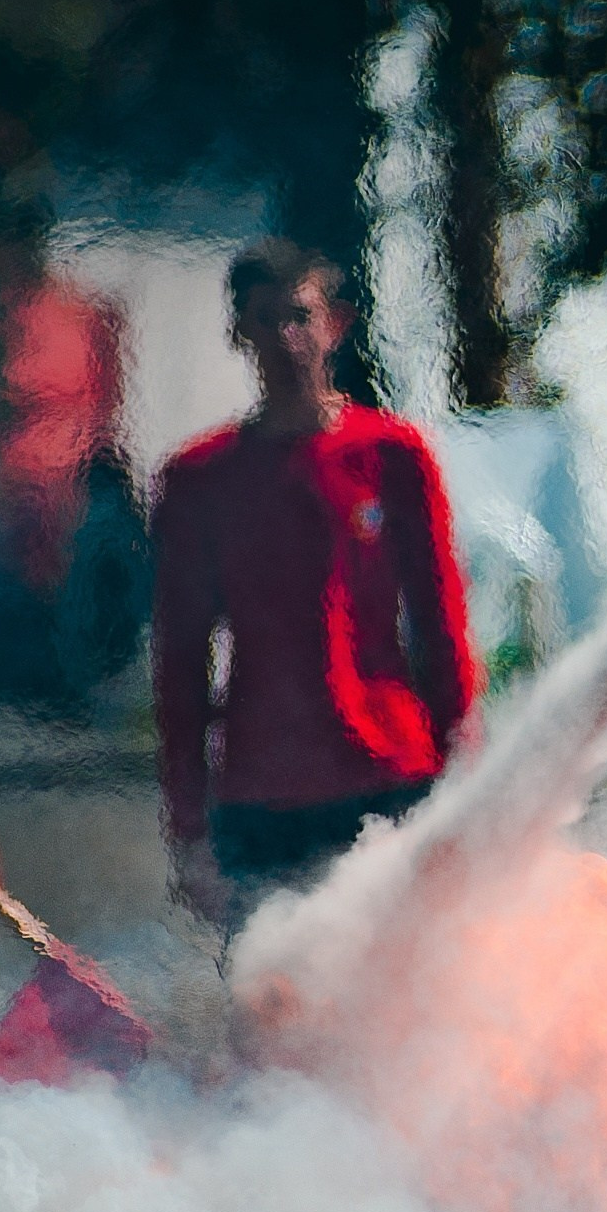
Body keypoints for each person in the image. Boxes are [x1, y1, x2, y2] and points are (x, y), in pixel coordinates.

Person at [151, 240, 480, 925]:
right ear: (239, 332)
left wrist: (464, 774)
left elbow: (439, 621)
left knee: (400, 1004)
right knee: (275, 1008)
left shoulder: (393, 456)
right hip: (261, 794)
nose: (285, 338)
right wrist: (187, 828)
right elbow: (179, 661)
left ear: (338, 323)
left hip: (387, 774)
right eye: (265, 319)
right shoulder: (199, 480)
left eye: (300, 316)